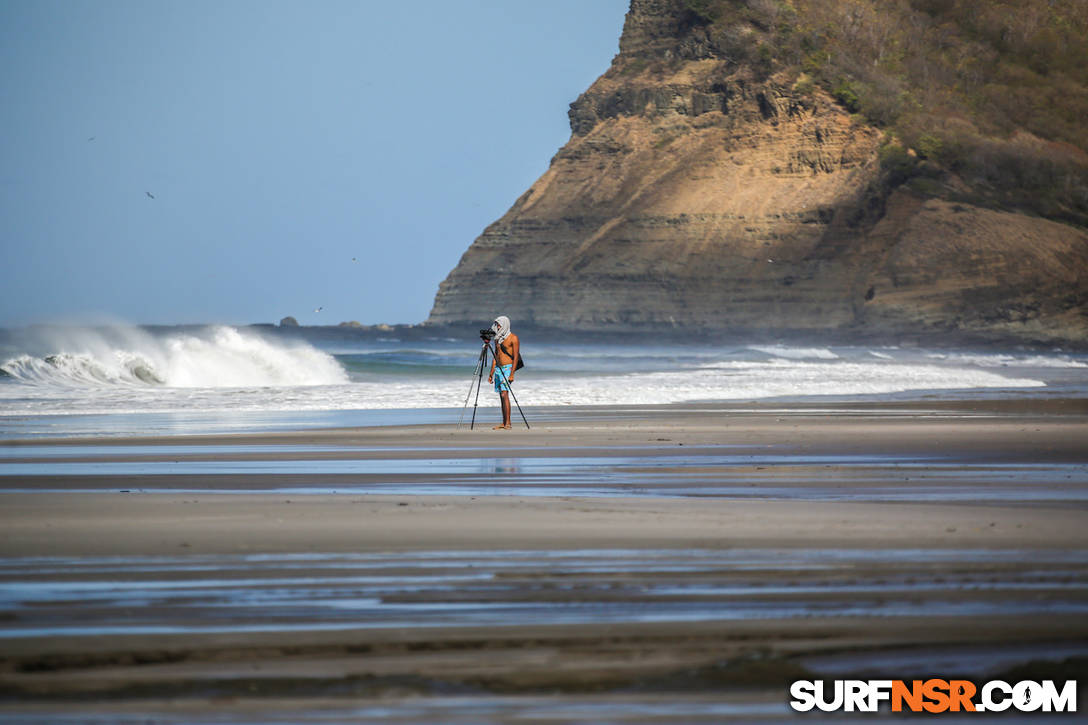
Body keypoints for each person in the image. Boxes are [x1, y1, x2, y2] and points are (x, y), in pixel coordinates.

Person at [487, 315, 520, 430]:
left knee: (504, 394)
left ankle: (508, 423)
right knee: (501, 395)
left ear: (505, 324)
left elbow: (515, 357)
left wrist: (512, 374)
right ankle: (503, 421)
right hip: (498, 369)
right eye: (496, 324)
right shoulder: (497, 339)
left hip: (508, 368)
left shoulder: (513, 338)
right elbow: (495, 356)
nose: (497, 326)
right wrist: (491, 373)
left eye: (499, 324)